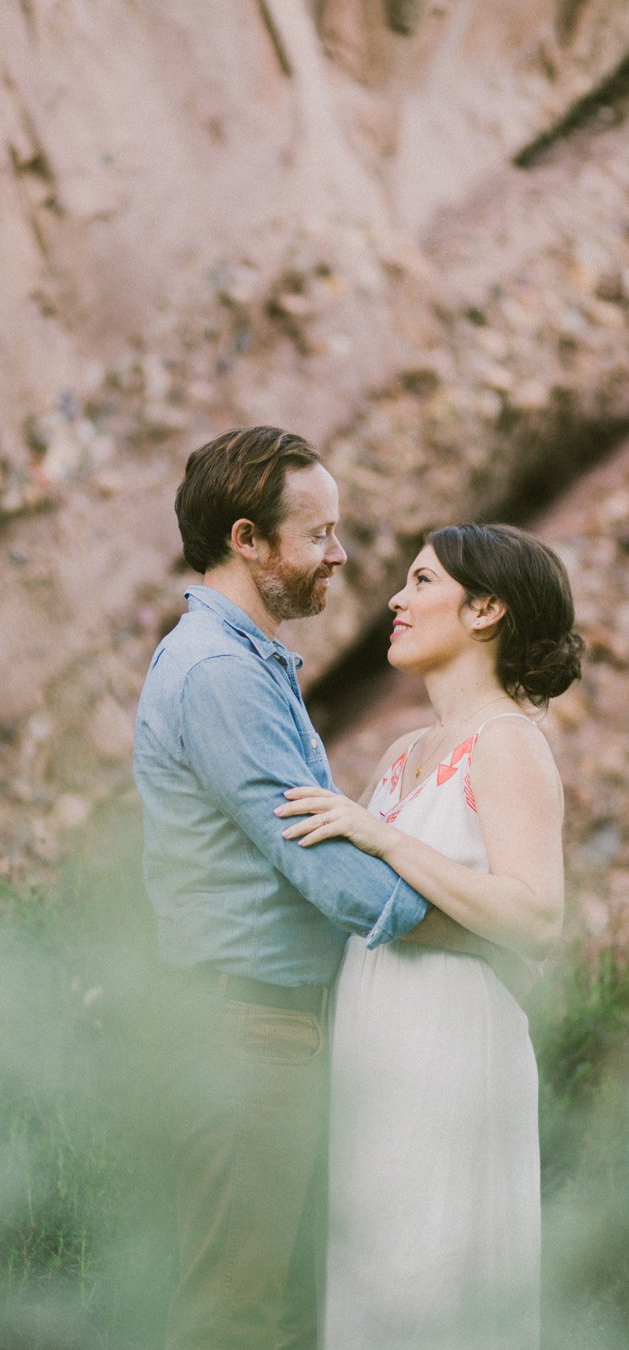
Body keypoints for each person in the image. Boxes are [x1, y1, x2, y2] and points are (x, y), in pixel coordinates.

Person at [133, 427, 492, 1350]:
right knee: (234, 1316)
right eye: (320, 533)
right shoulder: (219, 675)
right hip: (244, 1035)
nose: (340, 553)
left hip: (267, 1029)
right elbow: (327, 874)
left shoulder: (250, 664)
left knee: (283, 1316)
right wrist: (483, 931)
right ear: (249, 541)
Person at [275, 522, 583, 1350]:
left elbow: (535, 917)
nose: (396, 601)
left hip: (453, 1050)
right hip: (380, 1054)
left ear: (485, 609)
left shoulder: (509, 743)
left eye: (420, 583)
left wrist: (382, 839)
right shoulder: (407, 751)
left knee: (435, 1284)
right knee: (373, 1288)